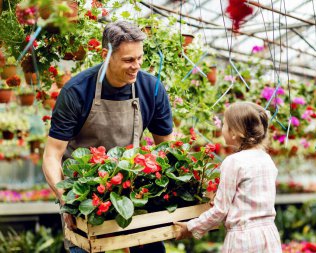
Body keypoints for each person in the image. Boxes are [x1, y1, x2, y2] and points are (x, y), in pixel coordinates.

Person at [42, 21, 173, 253]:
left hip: (131, 188)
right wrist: (66, 201)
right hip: (84, 192)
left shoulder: (151, 89)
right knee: (83, 247)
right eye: (128, 60)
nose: (137, 66)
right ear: (106, 54)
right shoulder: (77, 91)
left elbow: (167, 149)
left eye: (140, 58)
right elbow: (52, 155)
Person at [174, 102, 282, 253]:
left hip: (243, 240)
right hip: (269, 237)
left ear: (234, 132)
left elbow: (220, 210)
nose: (221, 128)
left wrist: (191, 227)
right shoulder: (267, 160)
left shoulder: (234, 162)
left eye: (224, 124)